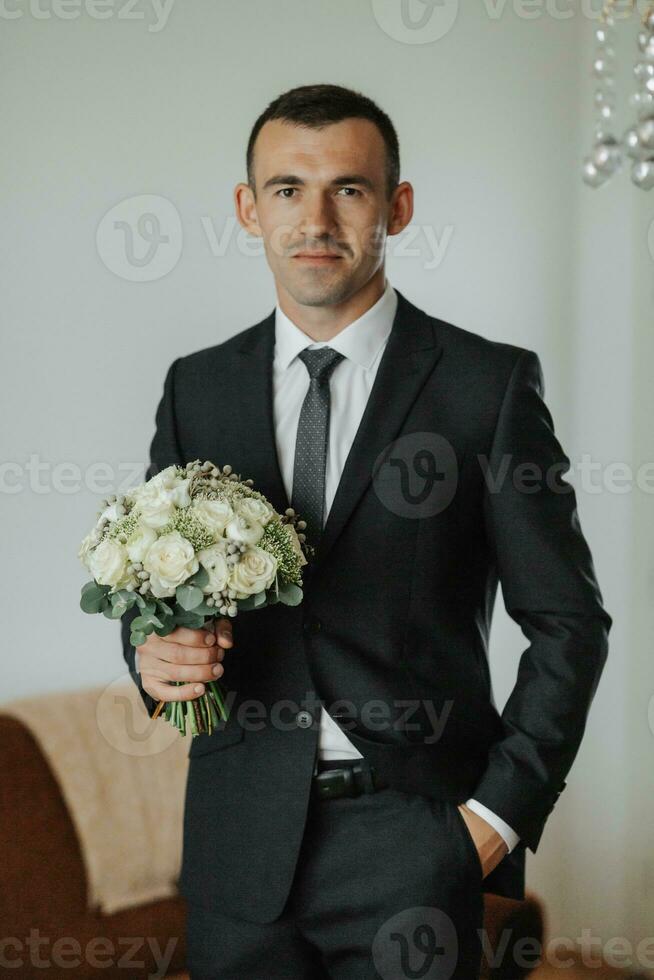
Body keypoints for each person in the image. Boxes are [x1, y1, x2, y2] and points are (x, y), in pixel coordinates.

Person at [122, 83, 612, 979]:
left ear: (397, 205)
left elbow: (570, 623)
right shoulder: (197, 388)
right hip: (238, 848)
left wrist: (492, 823)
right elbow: (158, 595)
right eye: (285, 189)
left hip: (417, 847)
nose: (315, 218)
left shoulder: (484, 387)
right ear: (247, 209)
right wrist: (153, 658)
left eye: (348, 189)